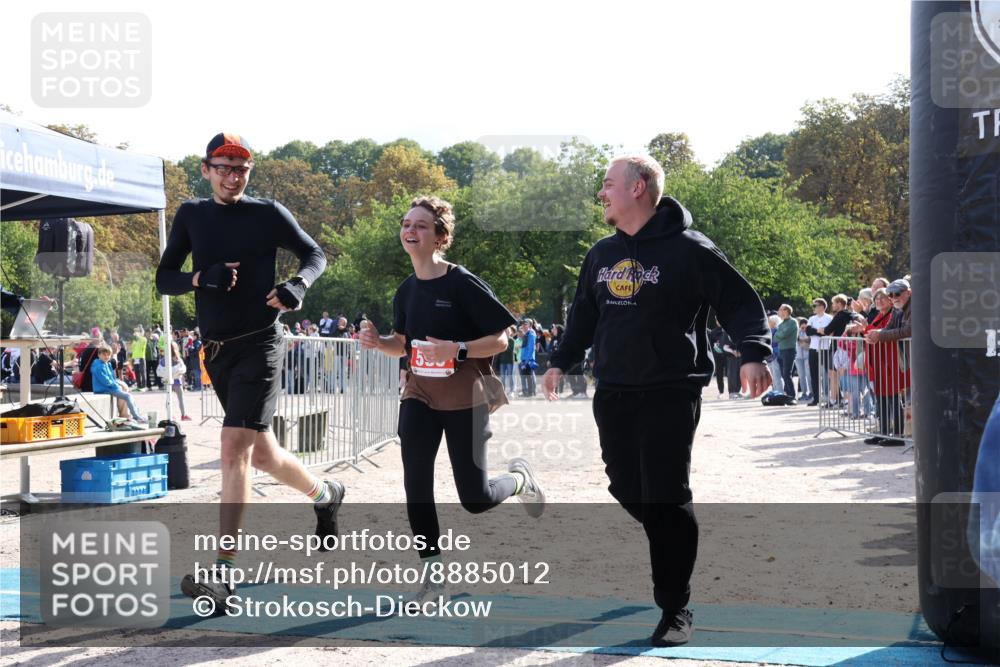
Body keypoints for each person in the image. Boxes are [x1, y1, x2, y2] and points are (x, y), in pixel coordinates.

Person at [542, 155, 771, 647]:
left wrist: (753, 353)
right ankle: (673, 537)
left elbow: (738, 300)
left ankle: (675, 606)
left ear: (638, 187)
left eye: (607, 185)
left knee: (665, 495)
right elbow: (583, 313)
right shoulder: (601, 254)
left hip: (671, 387)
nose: (601, 194)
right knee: (626, 486)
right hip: (615, 390)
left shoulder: (691, 249)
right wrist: (561, 360)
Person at [155, 132, 342, 613]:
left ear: (249, 172)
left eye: (241, 169)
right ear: (206, 169)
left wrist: (298, 285)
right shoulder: (192, 215)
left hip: (262, 343)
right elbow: (164, 277)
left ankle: (223, 571)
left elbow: (315, 255)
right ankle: (325, 493)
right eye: (223, 167)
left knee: (232, 447)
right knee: (261, 454)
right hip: (216, 352)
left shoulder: (268, 213)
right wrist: (201, 277)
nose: (232, 177)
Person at [360, 195, 544, 604]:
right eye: (407, 223)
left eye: (421, 225)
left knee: (475, 499)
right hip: (419, 394)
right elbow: (403, 345)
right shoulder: (406, 290)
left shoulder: (462, 281)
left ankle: (519, 480)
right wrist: (379, 343)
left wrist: (457, 349)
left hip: (466, 395)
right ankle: (433, 576)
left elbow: (500, 338)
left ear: (440, 236)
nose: (411, 230)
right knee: (416, 485)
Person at [91, 342, 146, 422]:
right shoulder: (99, 366)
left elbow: (111, 378)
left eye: (108, 355)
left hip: (107, 387)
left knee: (128, 394)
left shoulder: (105, 364)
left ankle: (136, 415)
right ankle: (137, 417)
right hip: (103, 389)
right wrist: (116, 385)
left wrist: (116, 383)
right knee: (128, 396)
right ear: (99, 355)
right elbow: (106, 381)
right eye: (104, 355)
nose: (106, 357)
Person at [805, 298, 833, 406]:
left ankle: (833, 398)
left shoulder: (829, 318)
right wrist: (818, 331)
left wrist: (818, 331)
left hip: (825, 348)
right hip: (813, 348)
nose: (813, 308)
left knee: (829, 374)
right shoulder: (811, 318)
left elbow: (828, 332)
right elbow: (808, 332)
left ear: (822, 306)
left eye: (815, 305)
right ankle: (816, 398)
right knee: (814, 374)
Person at [158, 339, 191, 421]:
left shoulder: (163, 360)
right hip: (177, 381)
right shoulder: (177, 359)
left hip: (168, 381)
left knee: (168, 398)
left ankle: (170, 415)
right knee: (181, 398)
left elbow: (160, 370)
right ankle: (183, 415)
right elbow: (182, 369)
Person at [773, 305, 798, 399]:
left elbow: (783, 334)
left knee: (787, 373)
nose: (778, 312)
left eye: (780, 309)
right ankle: (787, 394)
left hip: (789, 350)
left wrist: (779, 335)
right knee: (784, 374)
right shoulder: (782, 324)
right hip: (781, 350)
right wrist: (779, 335)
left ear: (786, 311)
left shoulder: (792, 322)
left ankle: (791, 395)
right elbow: (775, 338)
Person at [517, 319, 537, 397]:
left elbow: (531, 348)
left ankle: (530, 392)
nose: (524, 326)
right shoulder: (526, 334)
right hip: (524, 358)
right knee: (525, 375)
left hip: (528, 359)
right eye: (523, 324)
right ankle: (527, 392)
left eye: (526, 324)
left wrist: (528, 359)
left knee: (529, 376)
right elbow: (523, 347)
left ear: (529, 325)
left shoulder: (531, 334)